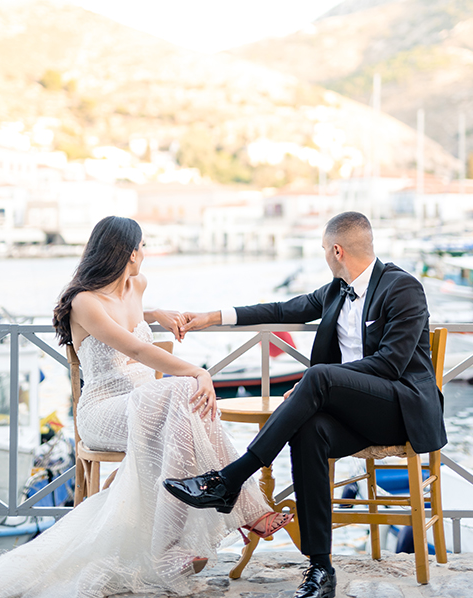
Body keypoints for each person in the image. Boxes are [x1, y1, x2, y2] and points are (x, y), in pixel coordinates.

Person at [0, 216, 290, 598]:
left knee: (181, 404)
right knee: (185, 390)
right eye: (142, 246)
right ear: (127, 252)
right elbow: (136, 348)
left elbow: (130, 314)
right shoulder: (83, 301)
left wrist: (156, 314)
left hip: (149, 406)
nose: (144, 253)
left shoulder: (138, 284)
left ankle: (175, 542)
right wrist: (197, 371)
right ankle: (237, 513)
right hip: (104, 410)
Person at [164, 211, 447, 598]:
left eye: (324, 250)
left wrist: (320, 382)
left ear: (336, 250)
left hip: (400, 411)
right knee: (309, 431)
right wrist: (211, 317)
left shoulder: (403, 288)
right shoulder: (336, 290)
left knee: (317, 377)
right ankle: (320, 569)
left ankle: (230, 479)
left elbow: (391, 364)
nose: (324, 257)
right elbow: (281, 310)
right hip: (355, 413)